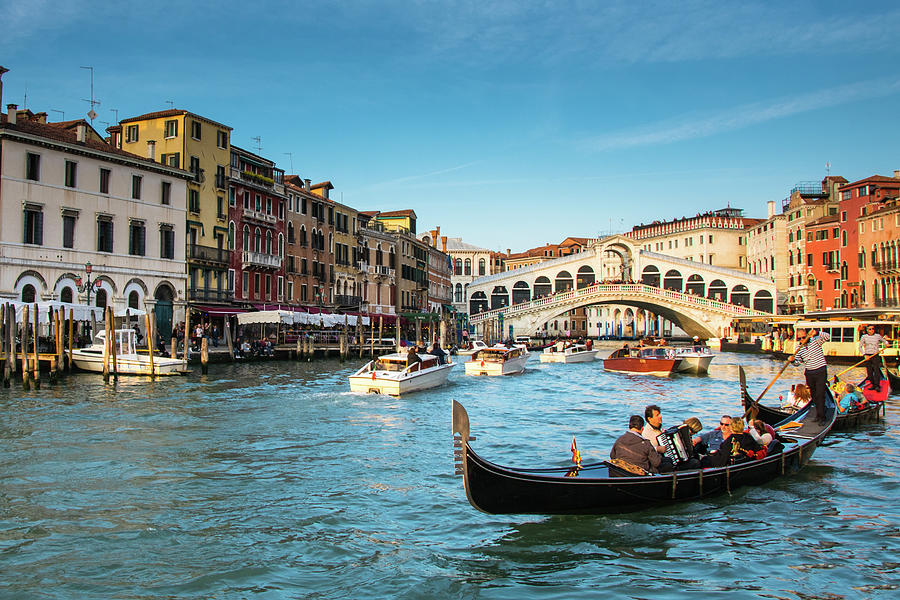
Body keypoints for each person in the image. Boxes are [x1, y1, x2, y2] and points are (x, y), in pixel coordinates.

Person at [788, 327, 831, 425]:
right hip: (809, 372)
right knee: (814, 395)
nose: (803, 340)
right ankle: (819, 413)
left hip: (820, 370)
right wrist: (792, 361)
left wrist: (817, 332)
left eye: (804, 337)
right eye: (800, 338)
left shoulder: (815, 341)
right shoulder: (798, 349)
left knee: (820, 394)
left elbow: (828, 337)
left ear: (807, 335)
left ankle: (822, 417)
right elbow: (798, 362)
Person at [641, 405, 674, 472]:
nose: (660, 416)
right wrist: (657, 449)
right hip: (655, 463)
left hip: (666, 456)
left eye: (660, 414)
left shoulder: (661, 427)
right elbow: (645, 451)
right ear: (650, 419)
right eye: (657, 415)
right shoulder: (646, 433)